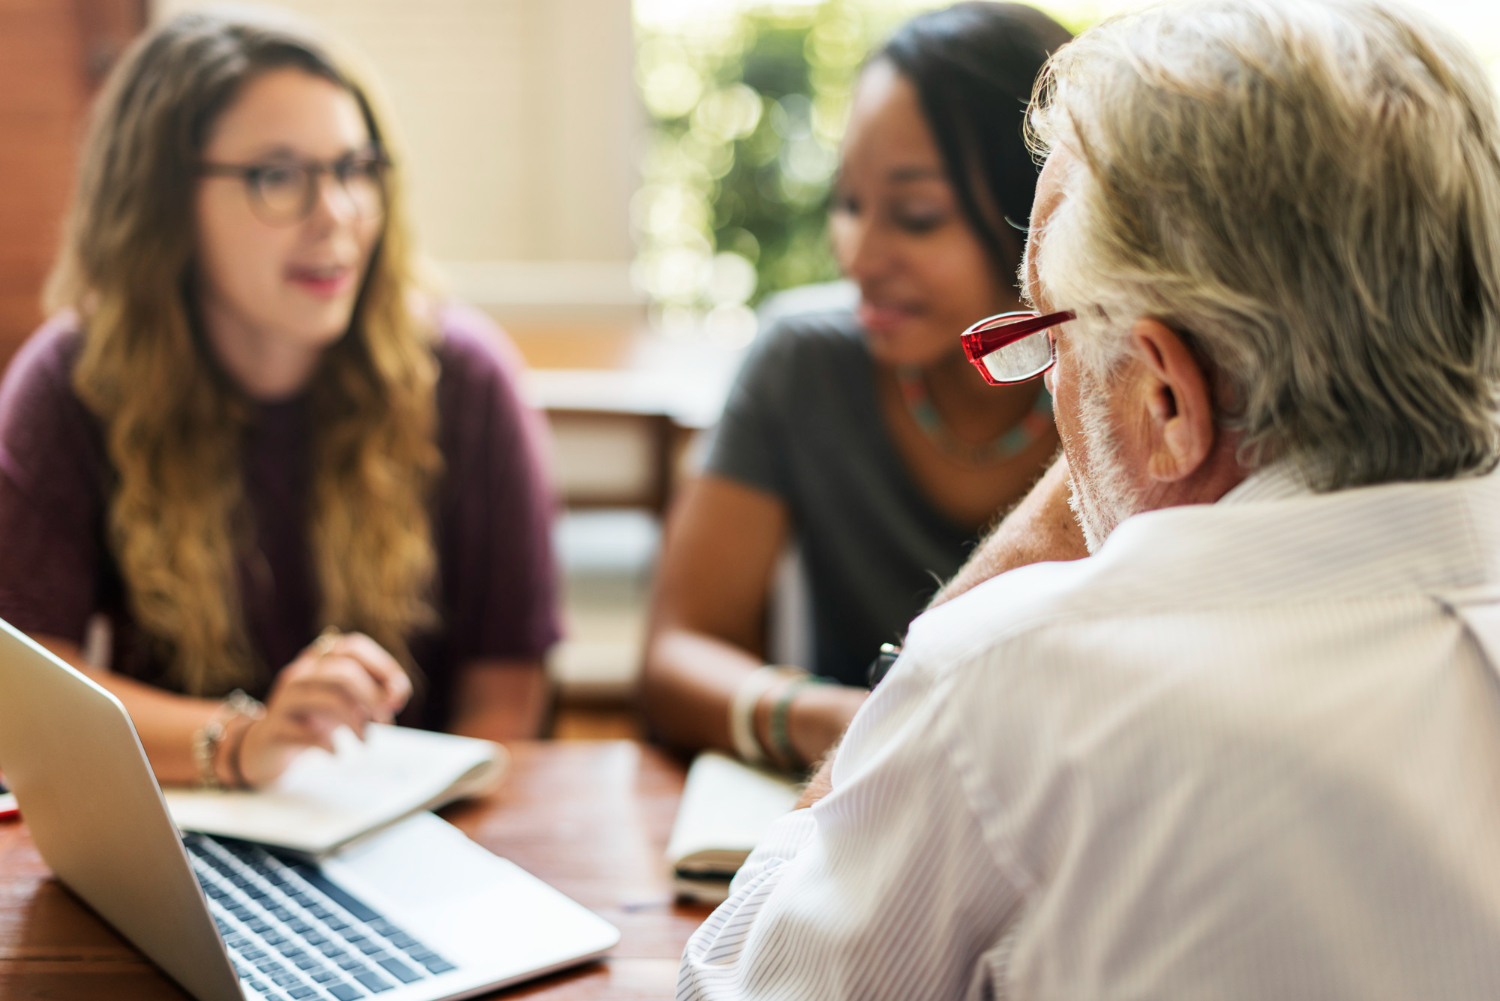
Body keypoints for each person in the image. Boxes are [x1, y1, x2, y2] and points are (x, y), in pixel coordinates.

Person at [677, 0, 1500, 997]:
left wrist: (1023, 556)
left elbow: (734, 985)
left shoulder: (1011, 683)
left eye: (1052, 338)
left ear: (1165, 393)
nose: (1051, 383)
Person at [0, 9, 560, 790]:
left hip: (414, 837)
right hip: (186, 830)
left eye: (356, 168)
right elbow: (23, 679)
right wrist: (243, 742)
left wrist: (415, 835)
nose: (336, 214)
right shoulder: (70, 383)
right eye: (277, 175)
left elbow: (506, 692)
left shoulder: (466, 381)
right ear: (163, 200)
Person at [642, 3, 1078, 771]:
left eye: (915, 215)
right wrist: (827, 718)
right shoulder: (802, 362)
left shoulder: (1123, 388)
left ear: (1041, 207)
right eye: (848, 203)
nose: (858, 254)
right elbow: (676, 655)